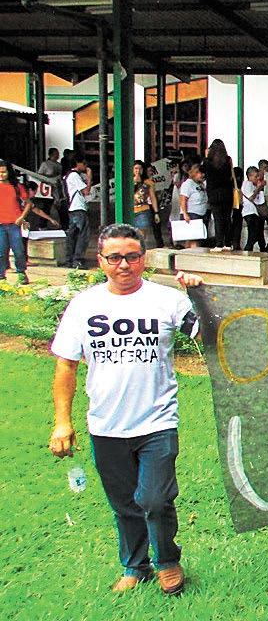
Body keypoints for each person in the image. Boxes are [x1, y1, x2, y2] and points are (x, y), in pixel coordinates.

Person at [48, 223, 204, 596]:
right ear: (101, 261)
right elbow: (65, 366)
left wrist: (200, 294)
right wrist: (62, 422)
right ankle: (135, 565)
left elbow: (211, 333)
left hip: (157, 421)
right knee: (124, 504)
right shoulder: (84, 306)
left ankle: (168, 560)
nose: (124, 265)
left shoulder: (168, 300)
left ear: (143, 258)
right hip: (106, 425)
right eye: (114, 257)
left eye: (132, 256)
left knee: (154, 498)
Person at [0, 159, 31, 284]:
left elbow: (29, 203)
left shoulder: (17, 187)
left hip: (14, 224)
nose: (1, 175)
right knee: (1, 252)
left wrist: (21, 217)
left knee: (19, 251)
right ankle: (1, 277)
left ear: (9, 172)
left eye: (3, 172)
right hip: (0, 225)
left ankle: (21, 273)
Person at [202, 139, 234, 251]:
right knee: (227, 219)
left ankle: (219, 243)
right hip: (227, 193)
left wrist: (206, 156)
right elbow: (231, 175)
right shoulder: (228, 160)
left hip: (214, 194)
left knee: (218, 219)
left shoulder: (208, 161)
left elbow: (203, 172)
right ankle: (228, 243)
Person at [62, 152, 92, 270]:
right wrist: (89, 177)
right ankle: (77, 259)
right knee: (83, 234)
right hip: (78, 207)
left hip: (72, 208)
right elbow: (86, 191)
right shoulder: (74, 176)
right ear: (77, 163)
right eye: (83, 163)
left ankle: (70, 259)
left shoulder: (67, 175)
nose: (85, 166)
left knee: (73, 234)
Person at [177, 163, 208, 250]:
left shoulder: (200, 184)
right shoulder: (188, 184)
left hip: (201, 213)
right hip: (192, 214)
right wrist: (185, 214)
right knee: (192, 238)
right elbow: (183, 199)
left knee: (198, 238)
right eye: (200, 173)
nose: (202, 175)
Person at [240, 166, 267, 252]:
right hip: (249, 212)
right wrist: (259, 188)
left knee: (256, 233)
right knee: (253, 234)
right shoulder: (247, 184)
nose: (258, 178)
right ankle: (247, 249)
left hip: (253, 212)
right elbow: (251, 198)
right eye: (256, 176)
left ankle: (250, 250)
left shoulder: (253, 185)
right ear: (250, 176)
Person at [131, 161, 160, 241]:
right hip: (130, 210)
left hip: (142, 210)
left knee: (141, 234)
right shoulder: (128, 181)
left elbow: (152, 197)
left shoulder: (148, 183)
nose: (138, 171)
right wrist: (135, 182)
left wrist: (156, 212)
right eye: (136, 168)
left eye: (140, 169)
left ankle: (140, 250)